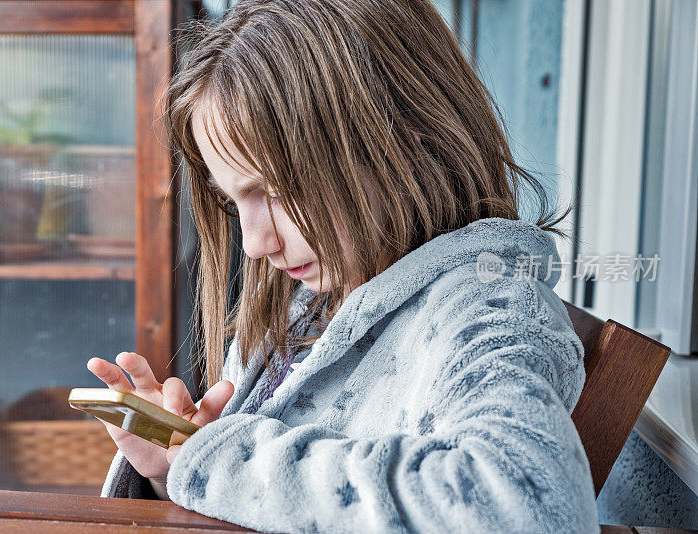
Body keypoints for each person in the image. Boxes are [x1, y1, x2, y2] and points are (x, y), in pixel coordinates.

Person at [87, 0, 600, 532]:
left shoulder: (487, 309)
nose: (255, 244)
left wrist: (225, 461)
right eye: (234, 201)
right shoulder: (308, 304)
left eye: (276, 190)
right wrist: (175, 466)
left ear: (401, 140)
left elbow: (523, 506)